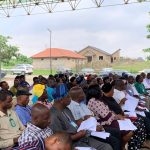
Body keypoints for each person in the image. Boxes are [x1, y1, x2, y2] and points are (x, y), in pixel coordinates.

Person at [50, 85, 113, 150]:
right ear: (61, 100)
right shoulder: (53, 115)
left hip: (81, 137)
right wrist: (76, 136)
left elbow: (74, 125)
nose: (70, 99)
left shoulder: (66, 109)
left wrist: (85, 130)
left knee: (107, 147)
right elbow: (59, 139)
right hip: (70, 143)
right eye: (68, 97)